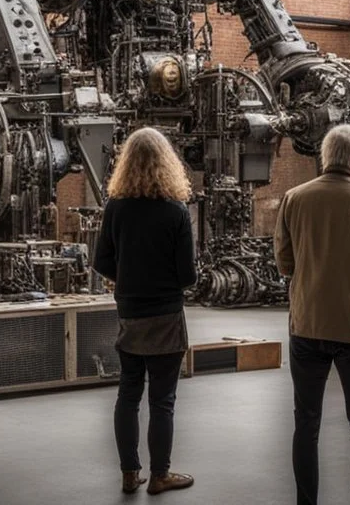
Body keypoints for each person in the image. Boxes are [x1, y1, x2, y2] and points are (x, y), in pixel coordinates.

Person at [274, 124, 350, 505]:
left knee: (306, 422)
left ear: (324, 156)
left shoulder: (294, 198)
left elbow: (283, 263)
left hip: (307, 324)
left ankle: (306, 501)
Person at [92, 128, 196, 496]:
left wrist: (128, 278)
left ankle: (127, 473)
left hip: (130, 314)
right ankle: (160, 475)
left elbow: (100, 260)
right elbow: (188, 275)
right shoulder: (176, 212)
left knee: (128, 395)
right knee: (162, 401)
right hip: (166, 317)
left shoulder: (116, 208)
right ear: (167, 164)